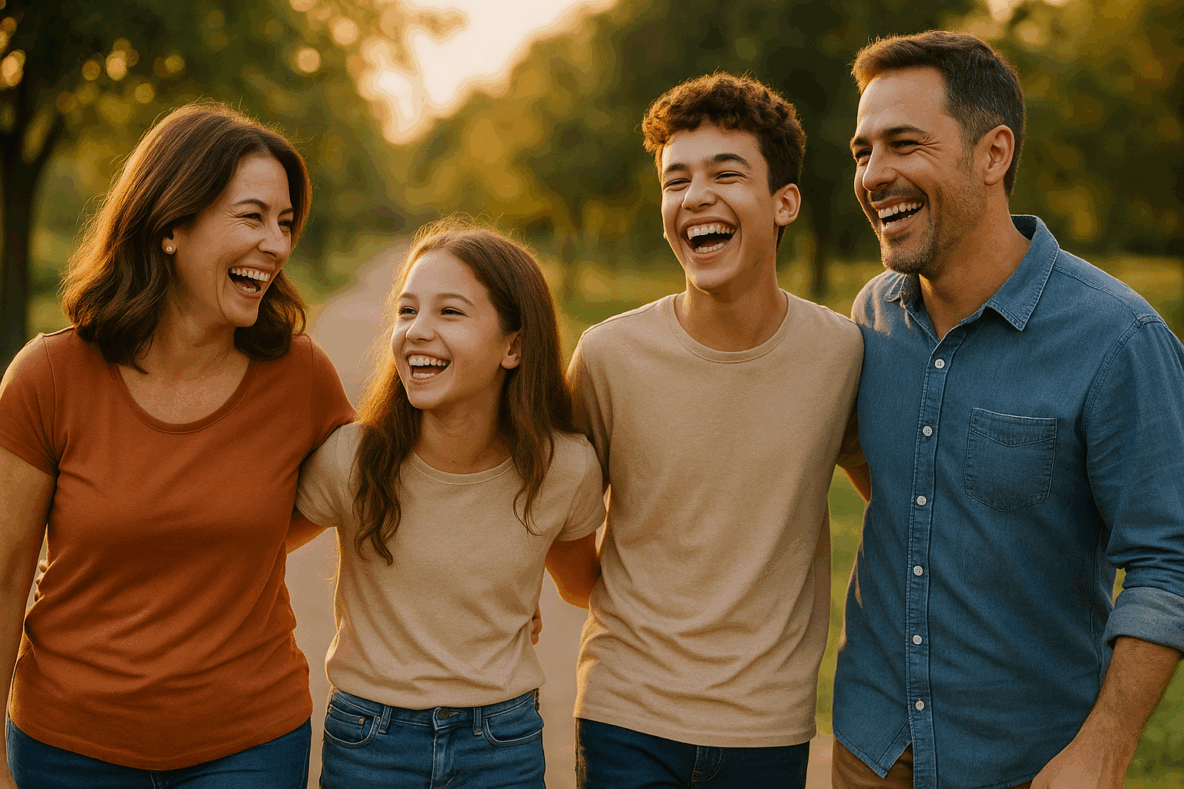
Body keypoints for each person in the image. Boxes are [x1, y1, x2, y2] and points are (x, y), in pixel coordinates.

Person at [833, 30, 1184, 789]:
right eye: (863, 151)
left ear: (993, 155)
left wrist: (1106, 745)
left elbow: (1169, 562)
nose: (873, 175)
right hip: (869, 748)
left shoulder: (1118, 339)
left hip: (1031, 764)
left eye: (903, 143)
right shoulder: (871, 316)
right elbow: (881, 467)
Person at [0, 104, 352, 788]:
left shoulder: (301, 375)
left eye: (285, 223)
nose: (277, 245)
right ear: (171, 226)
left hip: (250, 743)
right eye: (252, 217)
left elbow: (341, 493)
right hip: (67, 745)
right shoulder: (48, 377)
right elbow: (5, 574)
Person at [559, 73, 863, 788]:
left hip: (767, 724)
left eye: (727, 173)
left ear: (784, 202)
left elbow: (895, 492)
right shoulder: (607, 355)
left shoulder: (842, 353)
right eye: (676, 180)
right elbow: (562, 526)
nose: (695, 196)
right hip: (624, 715)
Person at [295, 220, 605, 789]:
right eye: (407, 311)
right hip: (369, 739)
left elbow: (581, 583)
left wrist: (500, 592)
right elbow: (246, 550)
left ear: (513, 346)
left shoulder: (565, 467)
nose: (416, 331)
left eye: (450, 313)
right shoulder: (353, 460)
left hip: (502, 743)